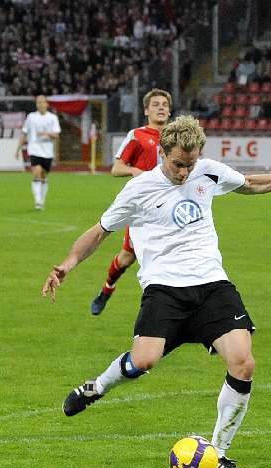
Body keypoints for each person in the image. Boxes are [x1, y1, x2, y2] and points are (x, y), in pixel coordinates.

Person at [42, 116, 271, 468]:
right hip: (164, 289)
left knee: (243, 362)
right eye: (178, 164)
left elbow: (251, 184)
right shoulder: (138, 190)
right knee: (144, 360)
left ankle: (218, 453)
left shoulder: (208, 171)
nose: (185, 172)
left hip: (212, 284)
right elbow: (100, 230)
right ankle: (97, 386)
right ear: (162, 153)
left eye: (191, 164)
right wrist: (67, 263)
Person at [90, 88, 172, 315]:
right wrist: (136, 171)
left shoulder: (176, 137)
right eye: (155, 104)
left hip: (173, 208)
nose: (161, 108)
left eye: (164, 104)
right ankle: (107, 289)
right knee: (126, 258)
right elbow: (117, 168)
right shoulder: (137, 135)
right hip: (144, 209)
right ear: (146, 110)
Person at [15, 95, 61, 210]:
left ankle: (42, 200)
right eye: (38, 102)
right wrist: (17, 149)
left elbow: (56, 135)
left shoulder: (52, 118)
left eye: (42, 102)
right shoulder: (31, 117)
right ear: (36, 104)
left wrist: (47, 134)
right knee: (37, 173)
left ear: (47, 104)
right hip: (34, 149)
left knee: (44, 176)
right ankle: (38, 201)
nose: (40, 104)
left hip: (47, 151)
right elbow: (24, 133)